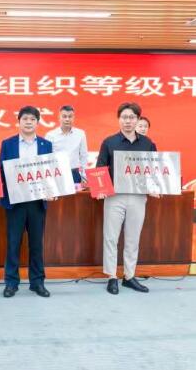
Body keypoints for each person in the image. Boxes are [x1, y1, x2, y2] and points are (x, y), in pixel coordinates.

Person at [95, 102, 159, 295]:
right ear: (119, 119)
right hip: (114, 196)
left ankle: (129, 276)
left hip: (138, 197)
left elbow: (154, 170)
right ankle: (111, 277)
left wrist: (155, 187)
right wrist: (100, 189)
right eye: (124, 117)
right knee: (111, 237)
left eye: (132, 117)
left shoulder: (147, 143)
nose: (128, 121)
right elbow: (100, 167)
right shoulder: (109, 142)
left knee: (133, 238)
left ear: (138, 119)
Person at [0, 106, 55, 299]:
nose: (29, 122)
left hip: (37, 202)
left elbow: (51, 172)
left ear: (37, 123)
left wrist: (52, 191)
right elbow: (1, 170)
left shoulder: (46, 145)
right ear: (19, 122)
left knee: (36, 244)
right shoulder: (8, 144)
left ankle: (37, 282)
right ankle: (11, 283)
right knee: (13, 243)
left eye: (32, 119)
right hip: (15, 202)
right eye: (25, 119)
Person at [45, 105, 88, 184]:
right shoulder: (50, 135)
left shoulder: (80, 134)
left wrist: (84, 176)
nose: (67, 119)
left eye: (70, 116)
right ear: (59, 117)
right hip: (57, 174)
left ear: (73, 118)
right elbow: (47, 158)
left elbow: (83, 156)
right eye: (64, 116)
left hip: (74, 173)